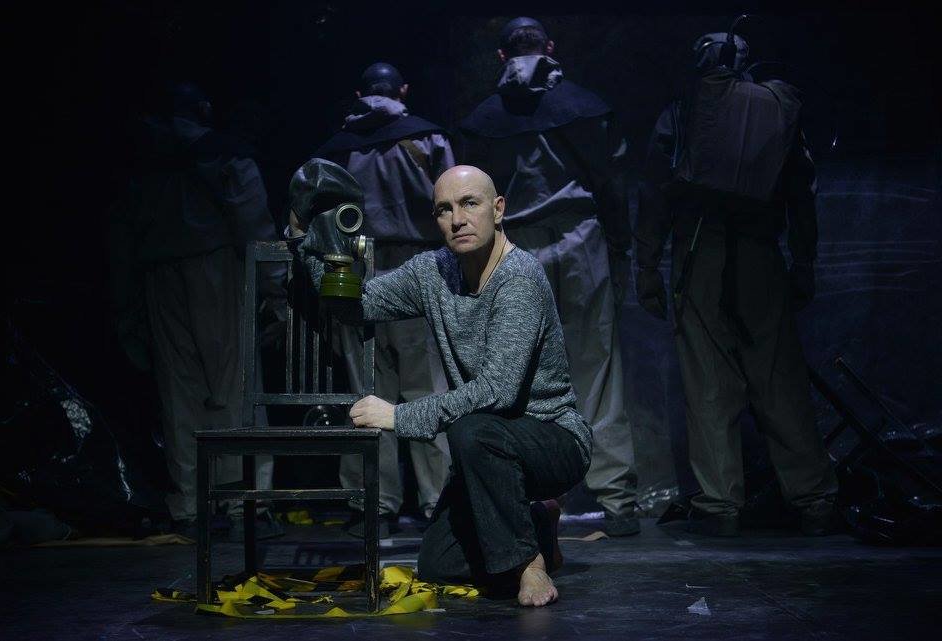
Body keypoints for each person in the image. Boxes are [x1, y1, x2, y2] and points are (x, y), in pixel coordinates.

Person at [292, 164, 590, 607]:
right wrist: (306, 240)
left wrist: (398, 416)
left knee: (472, 428)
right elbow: (356, 305)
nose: (457, 219)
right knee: (438, 564)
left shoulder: (520, 278)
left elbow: (497, 391)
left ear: (498, 209)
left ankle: (529, 563)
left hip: (552, 439)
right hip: (486, 450)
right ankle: (536, 523)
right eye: (444, 210)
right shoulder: (434, 271)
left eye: (469, 204)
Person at [634, 33, 840, 537]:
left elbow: (655, 192)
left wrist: (647, 266)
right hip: (759, 253)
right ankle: (814, 499)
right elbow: (802, 190)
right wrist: (804, 262)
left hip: (698, 249)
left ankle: (720, 503)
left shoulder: (682, 111)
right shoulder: (774, 111)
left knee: (708, 381)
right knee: (779, 378)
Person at [457, 17, 639, 535]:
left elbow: (470, 201)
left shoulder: (483, 120)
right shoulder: (586, 107)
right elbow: (611, 182)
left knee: (517, 378)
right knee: (598, 368)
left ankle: (525, 499)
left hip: (516, 250)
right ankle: (618, 499)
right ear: (550, 47)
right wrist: (620, 245)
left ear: (500, 56)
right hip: (582, 242)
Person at [109, 82, 285, 537]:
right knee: (237, 386)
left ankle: (192, 505)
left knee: (180, 394)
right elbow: (252, 220)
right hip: (218, 269)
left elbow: (120, 239)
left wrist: (127, 311)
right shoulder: (223, 153)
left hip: (160, 276)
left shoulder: (141, 158)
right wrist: (275, 290)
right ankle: (247, 503)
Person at [311, 63, 456, 535]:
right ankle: (440, 501)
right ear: (403, 91)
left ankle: (372, 501)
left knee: (367, 390)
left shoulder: (338, 150)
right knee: (427, 387)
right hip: (420, 267)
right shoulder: (427, 140)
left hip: (357, 271)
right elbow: (455, 203)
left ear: (359, 94)